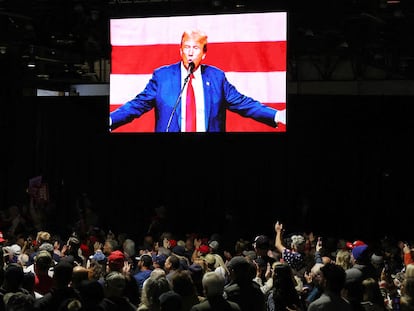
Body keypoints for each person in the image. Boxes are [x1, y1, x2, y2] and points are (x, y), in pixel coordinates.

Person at [109, 29, 286, 132]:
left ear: (204, 53)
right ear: (180, 51)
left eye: (195, 48)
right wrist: (111, 120)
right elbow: (137, 105)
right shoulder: (162, 77)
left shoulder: (217, 77)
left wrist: (277, 115)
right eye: (186, 47)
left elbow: (243, 103)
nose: (191, 52)